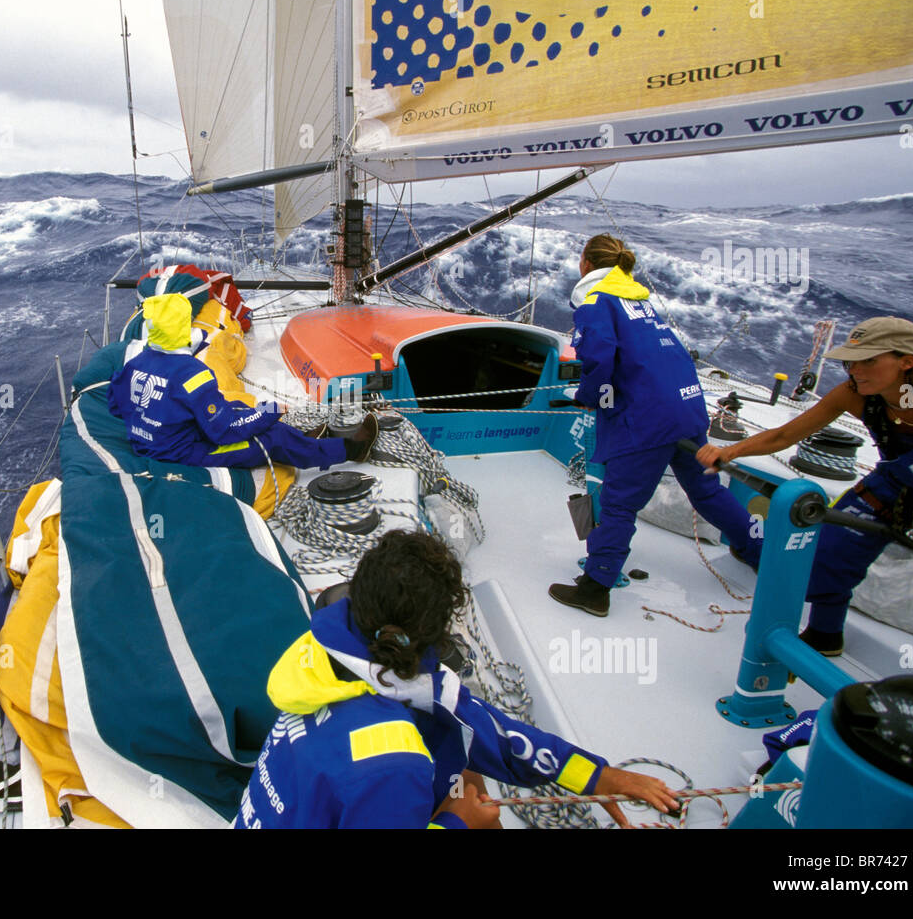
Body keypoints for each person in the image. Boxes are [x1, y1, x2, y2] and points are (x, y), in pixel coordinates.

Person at [235, 529, 681, 828]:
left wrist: (595, 776)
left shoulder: (328, 651)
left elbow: (485, 727)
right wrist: (460, 823)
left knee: (462, 764)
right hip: (376, 794)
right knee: (475, 800)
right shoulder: (393, 761)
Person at [696, 317, 913, 681]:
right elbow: (785, 434)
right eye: (851, 361)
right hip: (898, 482)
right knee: (824, 560)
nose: (855, 370)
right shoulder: (852, 393)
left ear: (906, 362)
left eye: (868, 360)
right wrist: (731, 451)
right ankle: (824, 634)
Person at [547, 235, 762, 617]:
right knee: (706, 491)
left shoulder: (596, 298)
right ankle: (757, 552)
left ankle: (596, 587)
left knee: (618, 503)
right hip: (686, 406)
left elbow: (598, 357)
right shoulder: (637, 299)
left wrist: (590, 396)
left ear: (585, 264)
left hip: (646, 419)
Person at [108, 293, 377, 469]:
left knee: (246, 412)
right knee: (273, 436)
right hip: (181, 454)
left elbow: (116, 406)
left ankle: (303, 440)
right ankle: (351, 450)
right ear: (181, 327)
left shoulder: (135, 364)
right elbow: (225, 431)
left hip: (151, 442)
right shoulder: (192, 373)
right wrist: (272, 409)